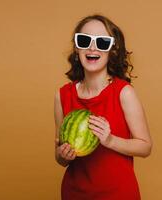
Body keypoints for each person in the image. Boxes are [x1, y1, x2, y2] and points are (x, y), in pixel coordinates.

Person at [54, 14, 152, 200]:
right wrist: (62, 155)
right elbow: (60, 158)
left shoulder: (124, 92)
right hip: (74, 193)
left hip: (118, 194)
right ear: (77, 48)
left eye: (102, 42)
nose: (92, 47)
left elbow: (146, 147)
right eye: (84, 40)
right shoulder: (62, 95)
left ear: (112, 50)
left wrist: (110, 140)